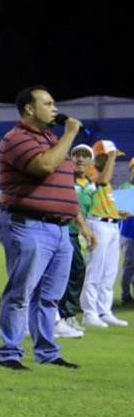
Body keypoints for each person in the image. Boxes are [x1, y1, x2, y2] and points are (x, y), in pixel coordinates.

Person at [0, 86, 82, 370]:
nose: (55, 108)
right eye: (48, 103)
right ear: (30, 109)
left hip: (59, 229)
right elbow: (42, 167)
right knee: (21, 293)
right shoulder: (17, 138)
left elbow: (64, 184)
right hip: (28, 225)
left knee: (49, 296)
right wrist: (69, 134)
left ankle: (47, 350)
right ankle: (9, 352)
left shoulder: (50, 139)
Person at [79, 140, 130, 328]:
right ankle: (90, 312)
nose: (114, 161)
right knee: (95, 270)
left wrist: (119, 212)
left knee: (109, 272)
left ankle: (104, 310)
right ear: (99, 156)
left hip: (112, 224)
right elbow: (103, 180)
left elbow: (105, 197)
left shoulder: (103, 176)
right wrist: (110, 160)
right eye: (111, 157)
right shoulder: (90, 170)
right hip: (97, 224)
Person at [57, 145, 97, 337]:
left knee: (76, 270)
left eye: (85, 156)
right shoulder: (63, 180)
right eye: (77, 155)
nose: (80, 159)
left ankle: (65, 314)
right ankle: (64, 315)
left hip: (75, 233)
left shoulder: (91, 185)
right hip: (61, 229)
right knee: (73, 270)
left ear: (91, 161)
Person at [121, 157, 134, 306]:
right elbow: (124, 212)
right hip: (129, 233)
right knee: (129, 265)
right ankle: (125, 296)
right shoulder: (125, 187)